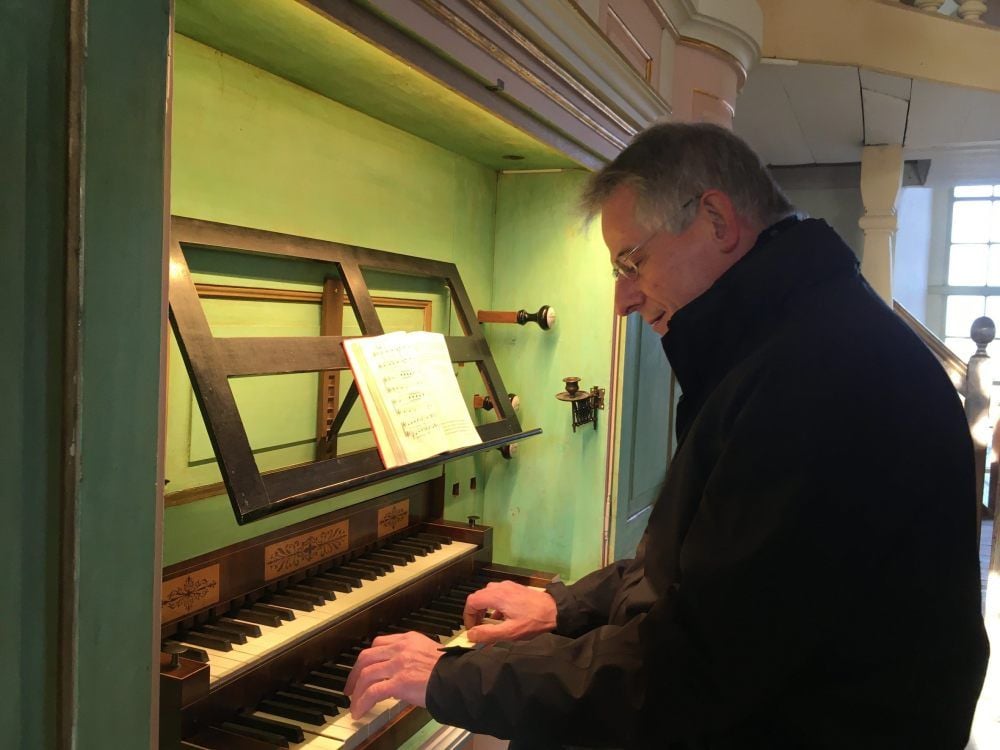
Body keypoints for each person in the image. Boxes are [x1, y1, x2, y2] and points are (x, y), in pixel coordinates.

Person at [345, 123, 989, 748]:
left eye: (633, 261)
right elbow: (699, 564)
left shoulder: (817, 375)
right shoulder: (791, 340)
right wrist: (562, 609)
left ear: (716, 219)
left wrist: (452, 677)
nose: (623, 298)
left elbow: (695, 666)